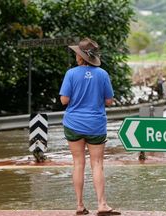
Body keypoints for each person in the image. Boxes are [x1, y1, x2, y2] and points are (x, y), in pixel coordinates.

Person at [59, 38, 120, 216]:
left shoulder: (71, 74)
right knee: (97, 164)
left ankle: (79, 206)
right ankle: (102, 205)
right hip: (95, 124)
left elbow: (64, 100)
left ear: (80, 56)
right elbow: (109, 101)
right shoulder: (102, 74)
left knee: (78, 163)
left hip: (73, 124)